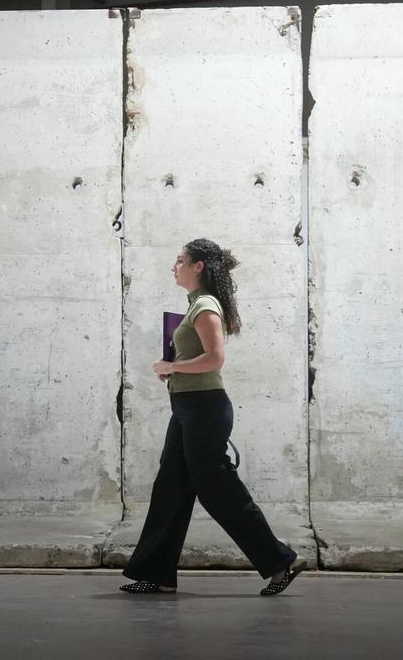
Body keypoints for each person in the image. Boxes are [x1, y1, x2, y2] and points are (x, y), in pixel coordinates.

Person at [119, 238, 305, 597]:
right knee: (170, 486)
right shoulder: (195, 306)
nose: (174, 266)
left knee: (218, 490)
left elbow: (215, 358)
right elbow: (199, 358)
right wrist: (175, 372)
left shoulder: (205, 305)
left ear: (198, 266)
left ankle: (281, 561)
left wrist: (172, 365)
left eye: (180, 260)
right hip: (188, 406)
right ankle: (157, 574)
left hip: (204, 408)